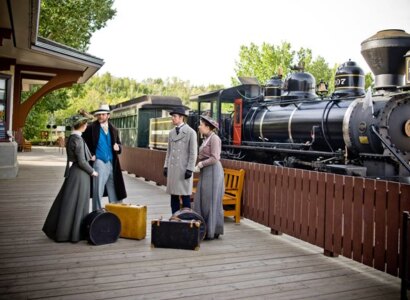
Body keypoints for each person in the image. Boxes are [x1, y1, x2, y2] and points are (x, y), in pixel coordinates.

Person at [42, 112, 98, 242]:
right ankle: (73, 234)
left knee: (70, 202)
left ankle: (67, 232)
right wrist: (92, 171)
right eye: (86, 124)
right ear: (82, 125)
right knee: (78, 202)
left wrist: (90, 156)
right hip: (80, 174)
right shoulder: (77, 139)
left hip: (76, 173)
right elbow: (81, 162)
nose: (87, 126)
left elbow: (80, 156)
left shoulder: (73, 137)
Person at [82, 104, 127, 211]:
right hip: (99, 162)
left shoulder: (114, 129)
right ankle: (96, 211)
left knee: (114, 188)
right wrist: (90, 155)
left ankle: (115, 210)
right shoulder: (90, 128)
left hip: (112, 163)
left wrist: (118, 148)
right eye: (99, 114)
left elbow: (119, 145)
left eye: (103, 114)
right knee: (98, 189)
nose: (101, 116)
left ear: (108, 115)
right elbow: (82, 143)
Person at [193, 115, 224, 240]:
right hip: (206, 171)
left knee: (210, 201)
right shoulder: (206, 138)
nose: (199, 126)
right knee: (203, 200)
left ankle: (212, 230)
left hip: (213, 171)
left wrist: (201, 164)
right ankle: (204, 228)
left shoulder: (214, 138)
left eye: (201, 124)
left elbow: (215, 157)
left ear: (207, 127)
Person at [163, 106, 197, 214]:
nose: (172, 118)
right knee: (173, 195)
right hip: (173, 170)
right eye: (172, 116)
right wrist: (165, 166)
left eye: (174, 116)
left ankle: (187, 219)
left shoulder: (191, 132)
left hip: (183, 170)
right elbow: (169, 151)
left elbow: (193, 153)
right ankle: (175, 218)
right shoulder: (171, 132)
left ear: (181, 117)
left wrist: (190, 169)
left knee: (185, 195)